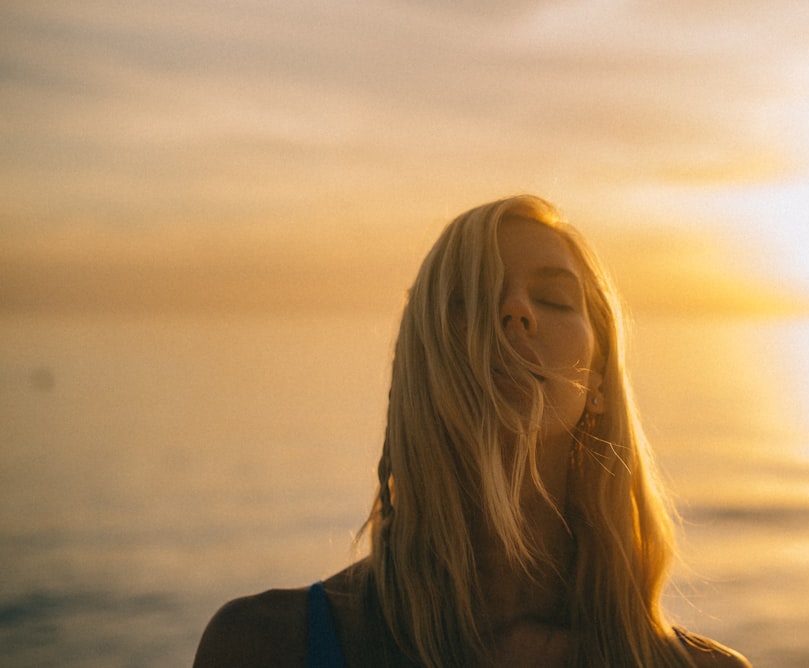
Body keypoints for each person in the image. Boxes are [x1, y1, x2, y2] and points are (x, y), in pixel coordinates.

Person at [193, 195, 751, 667]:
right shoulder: (265, 646)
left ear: (598, 381)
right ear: (420, 367)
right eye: (469, 300)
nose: (514, 312)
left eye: (555, 299)